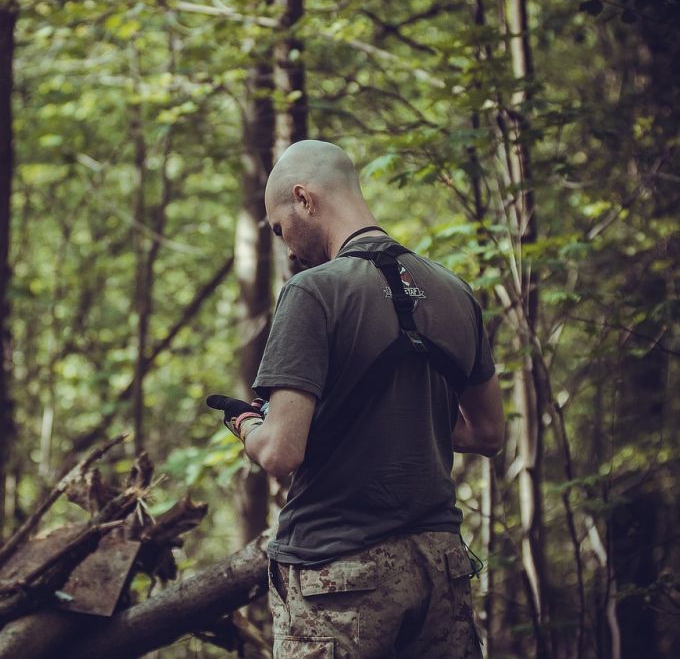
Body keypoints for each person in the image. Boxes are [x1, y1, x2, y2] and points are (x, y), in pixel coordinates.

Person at [206, 140, 504, 658]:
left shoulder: (313, 291)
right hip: (439, 567)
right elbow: (487, 433)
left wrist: (248, 427)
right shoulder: (455, 291)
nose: (288, 248)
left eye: (280, 228)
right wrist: (405, 415)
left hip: (338, 572)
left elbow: (281, 453)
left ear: (304, 198)